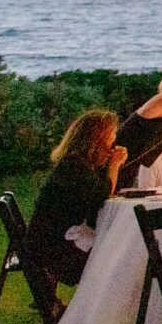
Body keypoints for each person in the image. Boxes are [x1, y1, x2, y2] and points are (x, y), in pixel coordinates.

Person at [26, 109, 123, 290]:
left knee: (111, 248)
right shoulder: (75, 167)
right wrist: (114, 165)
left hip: (50, 240)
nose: (114, 140)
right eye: (111, 134)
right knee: (115, 255)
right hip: (53, 248)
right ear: (98, 138)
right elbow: (101, 197)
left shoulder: (76, 163)